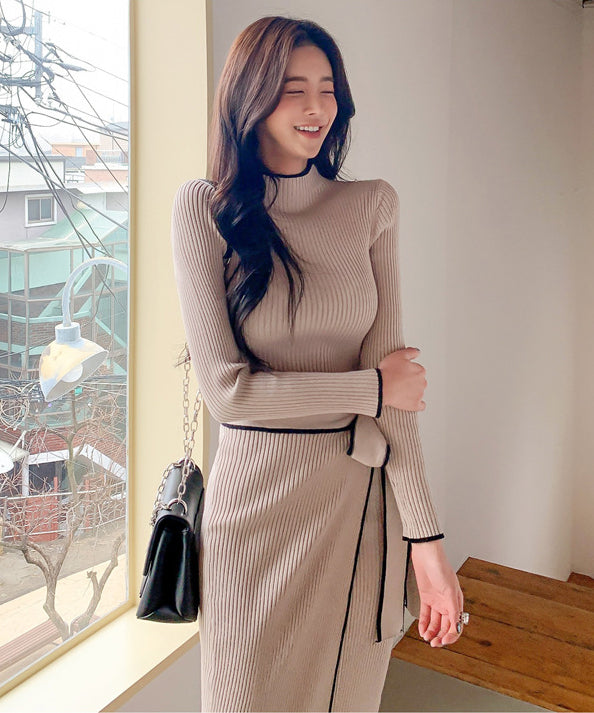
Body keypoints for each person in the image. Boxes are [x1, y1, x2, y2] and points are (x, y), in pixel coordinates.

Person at [171, 15, 467, 713]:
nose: (316, 108)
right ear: (249, 98)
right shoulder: (204, 209)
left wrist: (426, 541)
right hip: (255, 513)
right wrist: (369, 388)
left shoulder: (370, 205)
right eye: (292, 89)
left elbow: (398, 403)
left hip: (358, 511)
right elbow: (228, 394)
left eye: (327, 88)